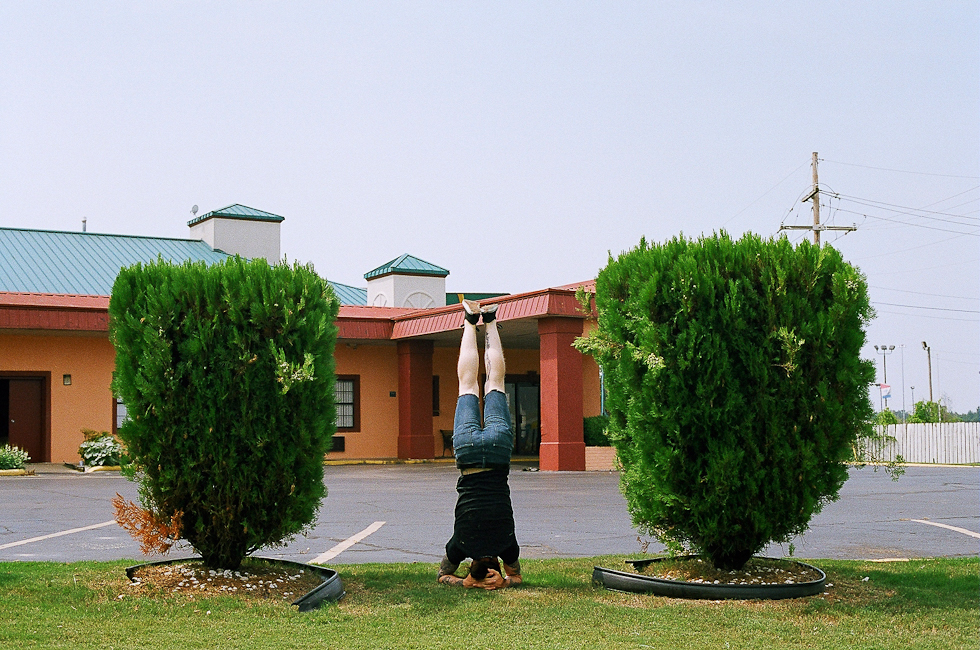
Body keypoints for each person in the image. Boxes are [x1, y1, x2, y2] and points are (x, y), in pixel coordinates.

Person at [437, 299, 523, 590]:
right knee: (468, 384)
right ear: (471, 566)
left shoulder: (507, 545)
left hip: (498, 454)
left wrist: (506, 581)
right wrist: (466, 583)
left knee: (495, 382)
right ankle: (469, 322)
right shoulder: (459, 545)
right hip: (469, 456)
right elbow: (443, 576)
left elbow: (518, 577)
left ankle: (491, 320)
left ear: (496, 565)